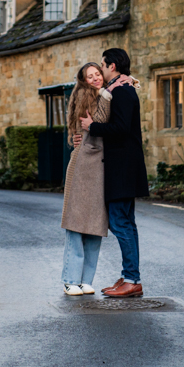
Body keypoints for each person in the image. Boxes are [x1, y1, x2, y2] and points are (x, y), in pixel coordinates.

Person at [81, 48, 149, 298]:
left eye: (102, 65)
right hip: (125, 166)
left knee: (120, 222)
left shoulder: (121, 91)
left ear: (112, 66)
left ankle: (132, 279)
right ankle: (130, 276)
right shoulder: (122, 89)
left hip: (122, 167)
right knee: (126, 224)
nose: (101, 70)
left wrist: (92, 126)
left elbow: (120, 128)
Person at [60, 62, 113, 296]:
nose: (95, 79)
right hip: (84, 166)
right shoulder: (85, 94)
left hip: (99, 167)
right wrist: (106, 94)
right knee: (77, 223)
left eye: (97, 74)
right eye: (90, 76)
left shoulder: (102, 92)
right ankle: (71, 280)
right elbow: (98, 121)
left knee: (94, 224)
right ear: (84, 81)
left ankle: (85, 280)